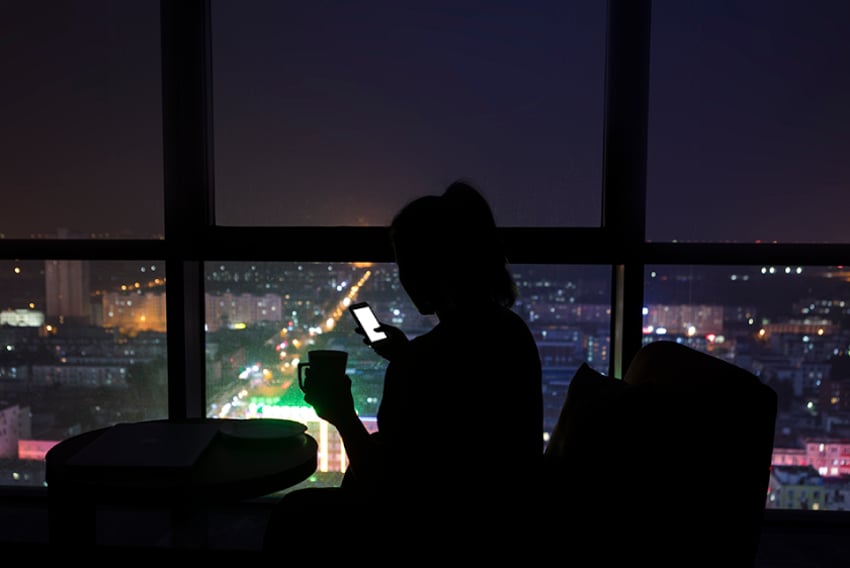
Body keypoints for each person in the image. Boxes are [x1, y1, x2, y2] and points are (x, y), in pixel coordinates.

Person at [262, 180, 543, 550]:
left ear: (429, 270)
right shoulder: (512, 334)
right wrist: (407, 355)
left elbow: (386, 485)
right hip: (504, 524)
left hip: (418, 530)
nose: (401, 278)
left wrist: (343, 415)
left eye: (403, 265)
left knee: (291, 515)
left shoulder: (424, 361)